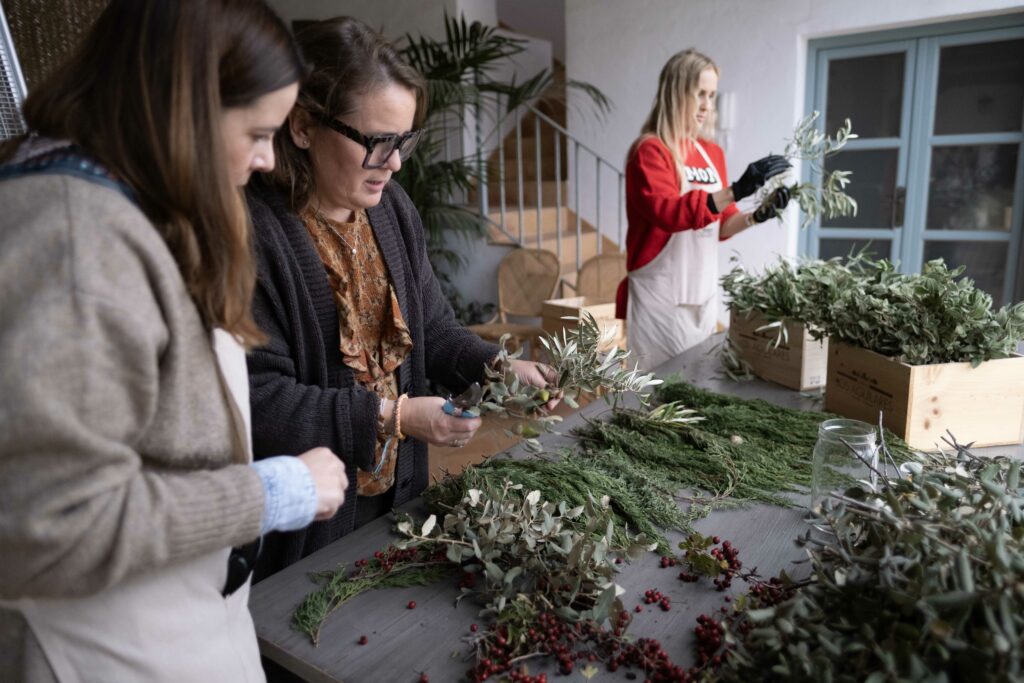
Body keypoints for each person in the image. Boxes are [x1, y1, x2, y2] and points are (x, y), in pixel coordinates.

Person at [0, 1, 349, 681]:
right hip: (102, 649)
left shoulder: (136, 209)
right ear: (182, 105)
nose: (266, 158)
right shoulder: (76, 238)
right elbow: (55, 520)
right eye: (257, 131)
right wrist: (272, 491)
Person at [246, 16, 558, 580]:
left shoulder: (391, 211)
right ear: (301, 127)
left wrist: (500, 368)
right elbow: (259, 402)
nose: (394, 163)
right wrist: (392, 417)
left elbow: (433, 330)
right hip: (303, 535)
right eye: (378, 142)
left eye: (404, 141)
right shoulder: (254, 235)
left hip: (398, 503)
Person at [615, 48, 792, 370]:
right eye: (700, 94)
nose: (707, 105)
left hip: (702, 291)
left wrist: (757, 214)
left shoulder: (712, 153)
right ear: (677, 91)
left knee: (697, 383)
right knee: (657, 392)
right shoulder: (650, 151)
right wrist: (734, 190)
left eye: (712, 95)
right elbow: (669, 213)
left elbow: (722, 225)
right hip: (659, 297)